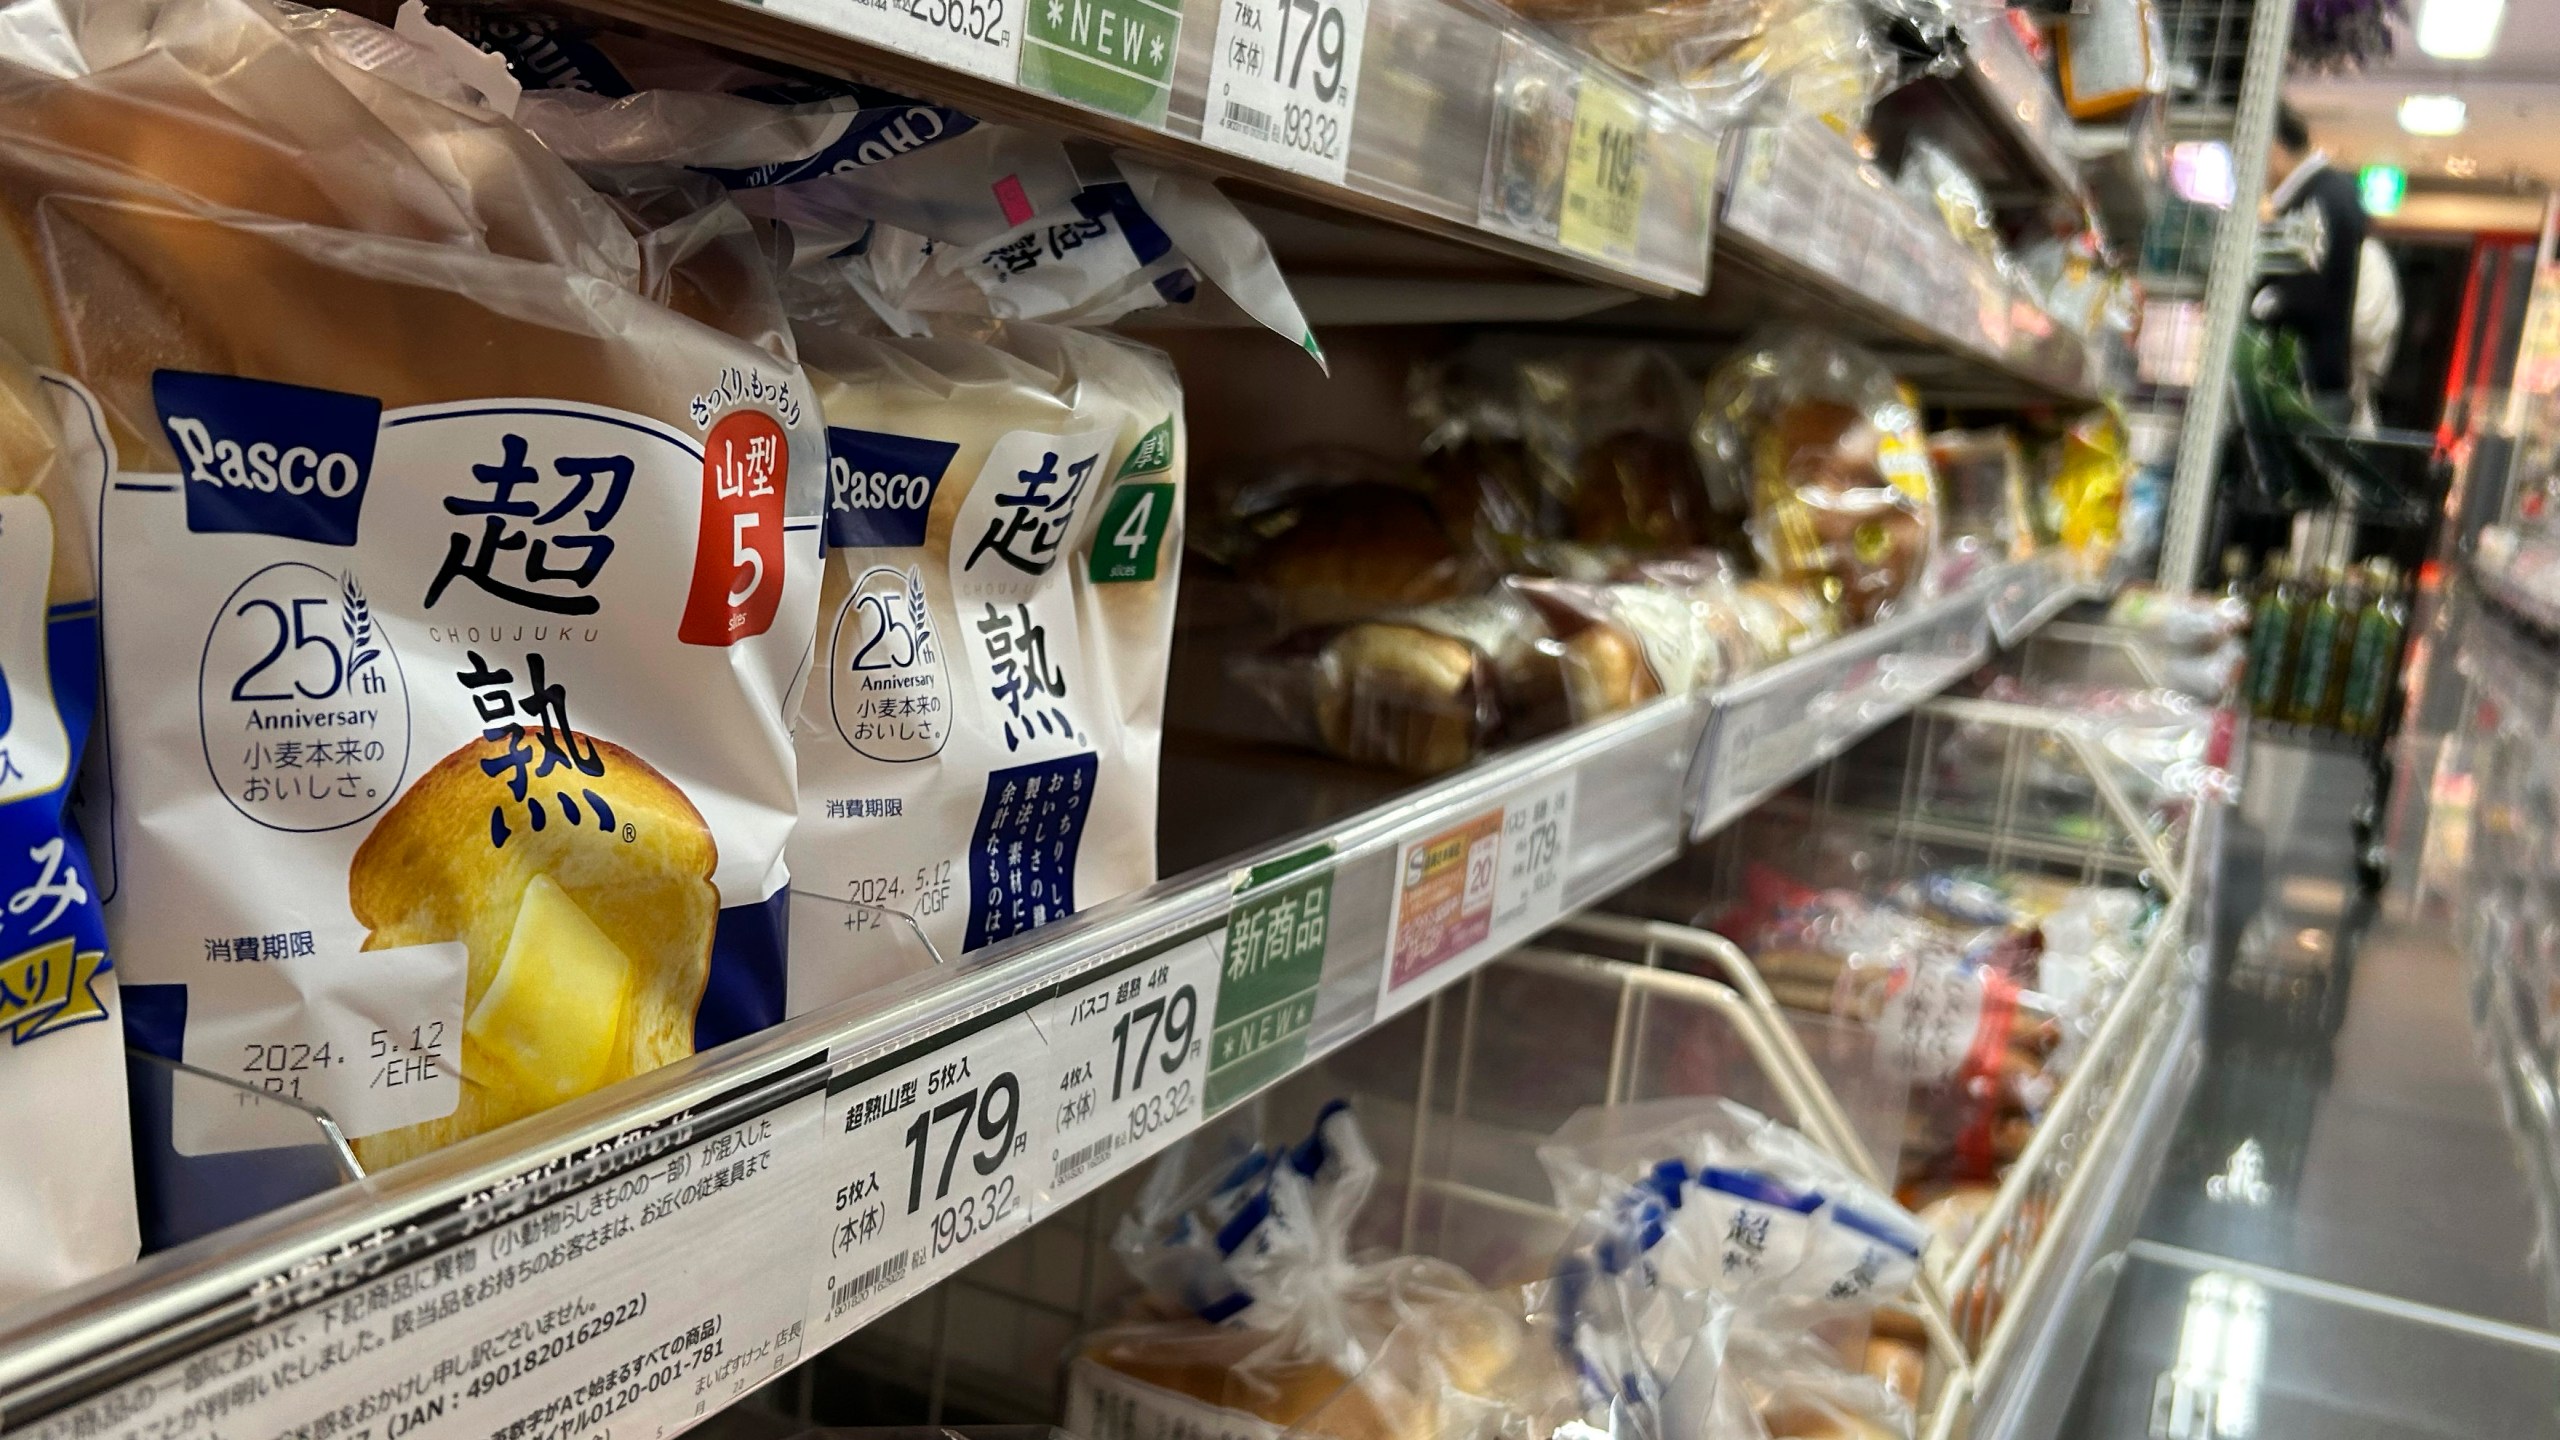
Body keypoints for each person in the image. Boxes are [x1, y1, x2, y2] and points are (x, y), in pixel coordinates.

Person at [2250, 103, 2369, 420]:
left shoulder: (2321, 199)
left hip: (2308, 388)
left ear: (2273, 148)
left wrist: (2257, 302)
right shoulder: (2331, 193)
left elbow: (2308, 293)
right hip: (2316, 382)